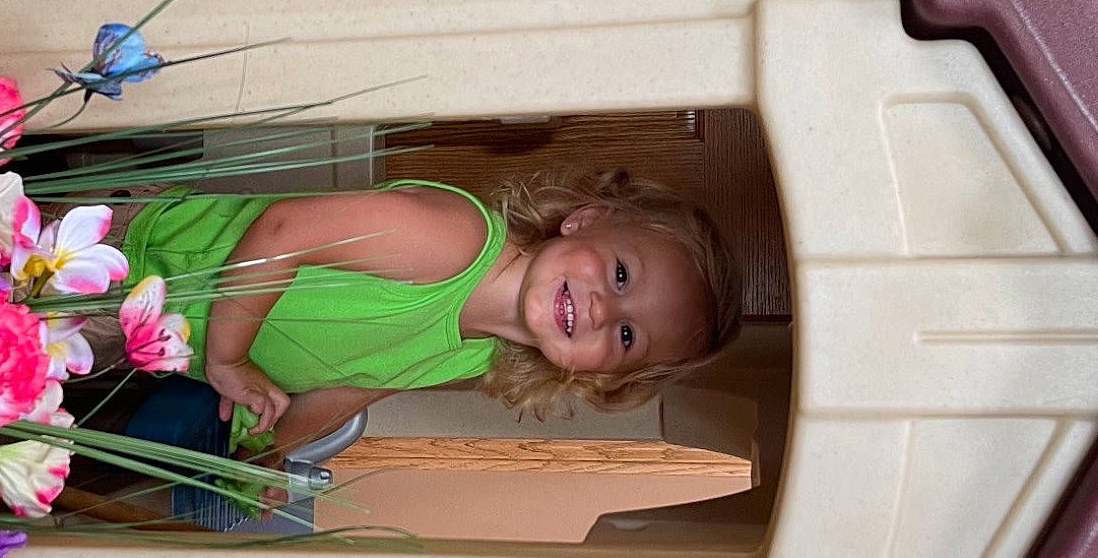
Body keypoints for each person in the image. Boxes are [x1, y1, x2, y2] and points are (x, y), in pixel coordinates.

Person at [119, 169, 742, 460]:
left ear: (600, 375)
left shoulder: (472, 353)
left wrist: (265, 456)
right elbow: (284, 230)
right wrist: (230, 359)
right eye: (620, 273)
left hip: (152, 341)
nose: (604, 308)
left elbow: (349, 389)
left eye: (628, 336)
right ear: (586, 221)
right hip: (135, 254)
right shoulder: (456, 241)